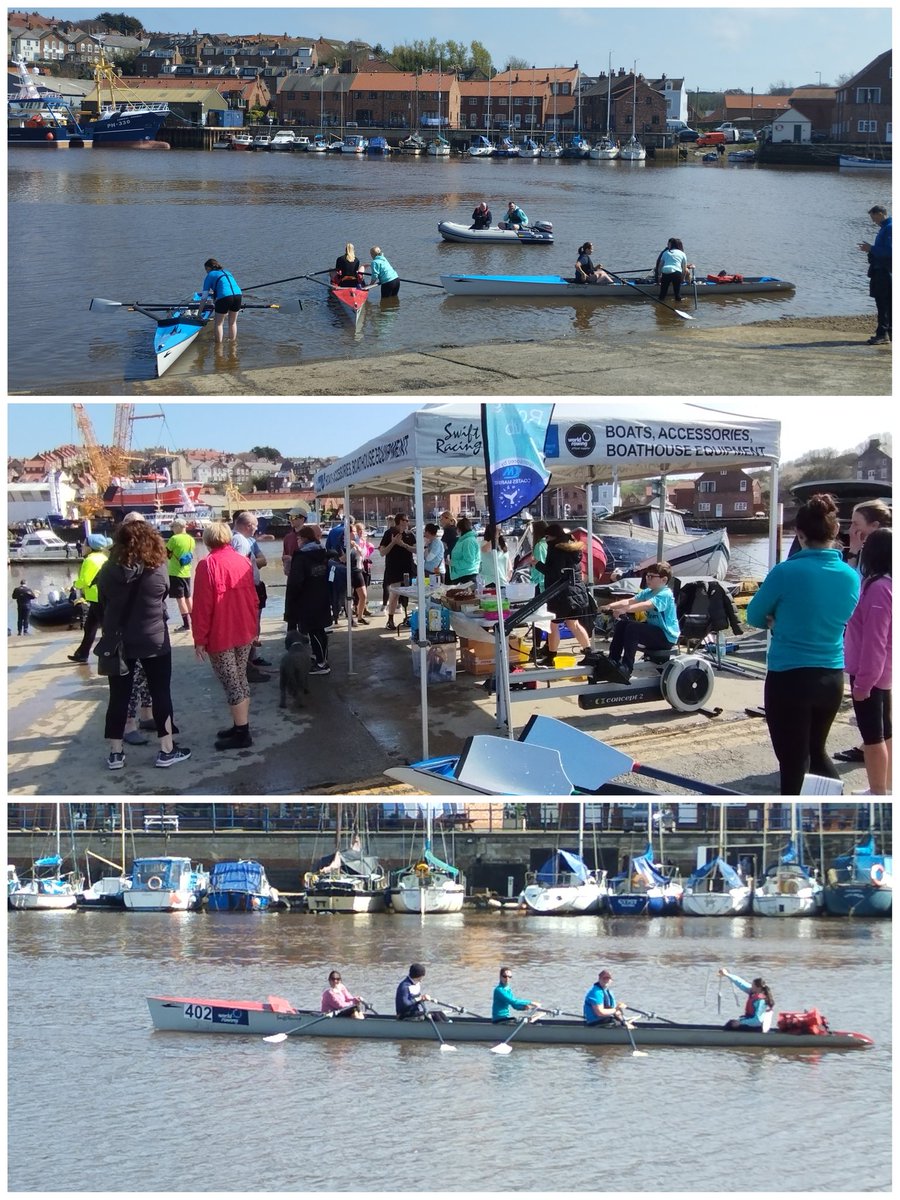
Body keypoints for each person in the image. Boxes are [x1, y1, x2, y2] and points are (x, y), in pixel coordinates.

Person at [746, 494, 860, 795]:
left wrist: (775, 618)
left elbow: (754, 615)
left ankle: (791, 828)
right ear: (835, 533)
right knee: (817, 752)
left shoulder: (786, 572)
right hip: (831, 677)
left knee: (793, 762)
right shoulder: (851, 576)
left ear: (800, 534)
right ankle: (838, 813)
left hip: (789, 678)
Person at [94, 520, 190, 771]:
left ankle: (116, 753)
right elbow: (164, 595)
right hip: (154, 638)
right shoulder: (158, 569)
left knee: (118, 696)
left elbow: (103, 602)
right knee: (160, 693)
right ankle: (167, 749)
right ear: (152, 541)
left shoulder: (107, 570)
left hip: (119, 641)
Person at [191, 521, 260, 751]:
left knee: (231, 682)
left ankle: (242, 733)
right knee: (240, 678)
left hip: (221, 632)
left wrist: (199, 639)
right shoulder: (243, 561)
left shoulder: (208, 565)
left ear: (208, 540)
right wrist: (254, 629)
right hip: (243, 628)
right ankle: (241, 725)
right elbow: (254, 598)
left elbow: (202, 607)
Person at [834, 500, 891, 764]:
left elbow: (853, 594)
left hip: (874, 668)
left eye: (857, 525)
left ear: (875, 528)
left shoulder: (879, 580)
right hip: (880, 666)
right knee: (882, 726)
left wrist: (863, 682)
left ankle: (880, 787)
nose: (851, 530)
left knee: (876, 730)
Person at [843, 528, 892, 795]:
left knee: (873, 737)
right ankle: (882, 786)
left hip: (870, 673)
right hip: (881, 672)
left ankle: (878, 792)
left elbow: (875, 640)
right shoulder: (885, 584)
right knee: (885, 732)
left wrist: (863, 683)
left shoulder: (878, 589)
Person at [601, 561, 681, 681]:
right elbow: (629, 601)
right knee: (623, 624)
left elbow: (646, 605)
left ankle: (626, 669)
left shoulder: (666, 594)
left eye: (651, 577)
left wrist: (624, 610)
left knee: (633, 628)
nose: (647, 579)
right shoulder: (648, 592)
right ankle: (613, 660)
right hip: (655, 632)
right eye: (647, 576)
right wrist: (609, 606)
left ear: (664, 580)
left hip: (666, 637)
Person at [531, 523, 593, 663]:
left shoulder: (556, 550)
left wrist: (538, 565)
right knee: (574, 624)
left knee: (553, 625)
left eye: (546, 537)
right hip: (577, 593)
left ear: (551, 537)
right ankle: (589, 652)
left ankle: (551, 656)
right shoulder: (573, 549)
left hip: (561, 595)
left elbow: (554, 574)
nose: (545, 540)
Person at [285, 524, 334, 674]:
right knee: (320, 631)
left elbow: (296, 582)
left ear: (304, 539)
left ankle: (321, 664)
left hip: (307, 599)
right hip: (322, 595)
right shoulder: (322, 553)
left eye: (299, 538)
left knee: (314, 631)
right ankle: (322, 658)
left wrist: (292, 601)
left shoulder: (302, 557)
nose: (297, 540)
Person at [231, 511, 269, 678]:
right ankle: (246, 668)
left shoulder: (244, 540)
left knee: (251, 625)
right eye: (255, 526)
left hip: (250, 588)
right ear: (247, 526)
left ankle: (249, 663)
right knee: (247, 627)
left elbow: (263, 560)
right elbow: (237, 568)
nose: (256, 529)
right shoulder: (240, 541)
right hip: (246, 589)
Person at [68, 533, 112, 662]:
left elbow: (85, 581)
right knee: (90, 626)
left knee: (105, 626)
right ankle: (82, 653)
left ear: (91, 546)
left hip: (96, 596)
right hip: (100, 596)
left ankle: (109, 651)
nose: (82, 546)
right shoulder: (103, 557)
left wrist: (75, 584)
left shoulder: (90, 559)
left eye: (85, 543)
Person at [857, 204, 891, 345]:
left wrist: (871, 248)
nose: (873, 221)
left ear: (880, 214)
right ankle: (889, 333)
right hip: (886, 271)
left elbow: (890, 251)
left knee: (883, 303)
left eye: (873, 217)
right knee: (888, 303)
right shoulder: (886, 228)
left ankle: (883, 334)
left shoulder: (889, 228)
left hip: (884, 272)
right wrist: (871, 250)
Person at [379, 513, 416, 630]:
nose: (407, 522)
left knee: (406, 593)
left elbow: (416, 550)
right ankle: (390, 619)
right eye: (406, 520)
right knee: (394, 594)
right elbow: (382, 552)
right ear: (400, 521)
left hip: (407, 568)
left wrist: (403, 545)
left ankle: (406, 617)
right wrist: (393, 543)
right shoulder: (389, 533)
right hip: (393, 568)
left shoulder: (410, 534)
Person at [201, 257, 242, 344]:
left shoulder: (210, 275)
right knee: (232, 322)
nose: (206, 272)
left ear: (208, 268)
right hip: (238, 295)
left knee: (219, 324)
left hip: (225, 297)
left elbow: (204, 297)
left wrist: (199, 313)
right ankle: (232, 344)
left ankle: (218, 346)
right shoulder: (227, 272)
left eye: (206, 269)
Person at [165, 518, 194, 633]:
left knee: (180, 599)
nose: (172, 529)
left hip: (175, 572)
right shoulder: (191, 539)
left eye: (173, 527)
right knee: (188, 597)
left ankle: (186, 625)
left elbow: (167, 554)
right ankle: (194, 621)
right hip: (187, 572)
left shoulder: (174, 539)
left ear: (178, 527)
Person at [655, 237, 694, 302]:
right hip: (676, 273)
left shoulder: (665, 252)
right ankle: (678, 306)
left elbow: (660, 266)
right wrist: (682, 278)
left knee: (662, 294)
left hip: (665, 272)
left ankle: (659, 306)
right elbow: (684, 268)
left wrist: (659, 276)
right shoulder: (682, 254)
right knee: (677, 293)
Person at [448, 516, 481, 585]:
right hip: (462, 575)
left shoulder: (468, 541)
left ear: (460, 529)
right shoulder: (463, 540)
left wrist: (453, 563)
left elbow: (469, 562)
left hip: (467, 577)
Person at [480, 523, 511, 589]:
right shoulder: (484, 543)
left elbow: (508, 561)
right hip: (490, 582)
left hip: (503, 581)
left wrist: (509, 573)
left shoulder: (504, 544)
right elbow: (486, 549)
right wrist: (495, 537)